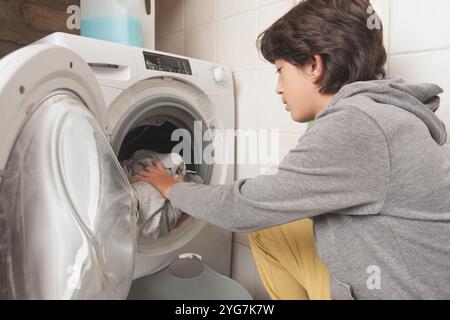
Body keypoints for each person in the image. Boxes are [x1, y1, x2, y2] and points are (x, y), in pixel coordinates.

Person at [129, 0, 450, 300]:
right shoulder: (379, 114)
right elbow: (278, 197)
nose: (278, 87)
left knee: (261, 220)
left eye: (280, 69)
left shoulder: (356, 125)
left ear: (314, 65)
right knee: (272, 230)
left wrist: (172, 187)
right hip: (393, 277)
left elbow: (244, 207)